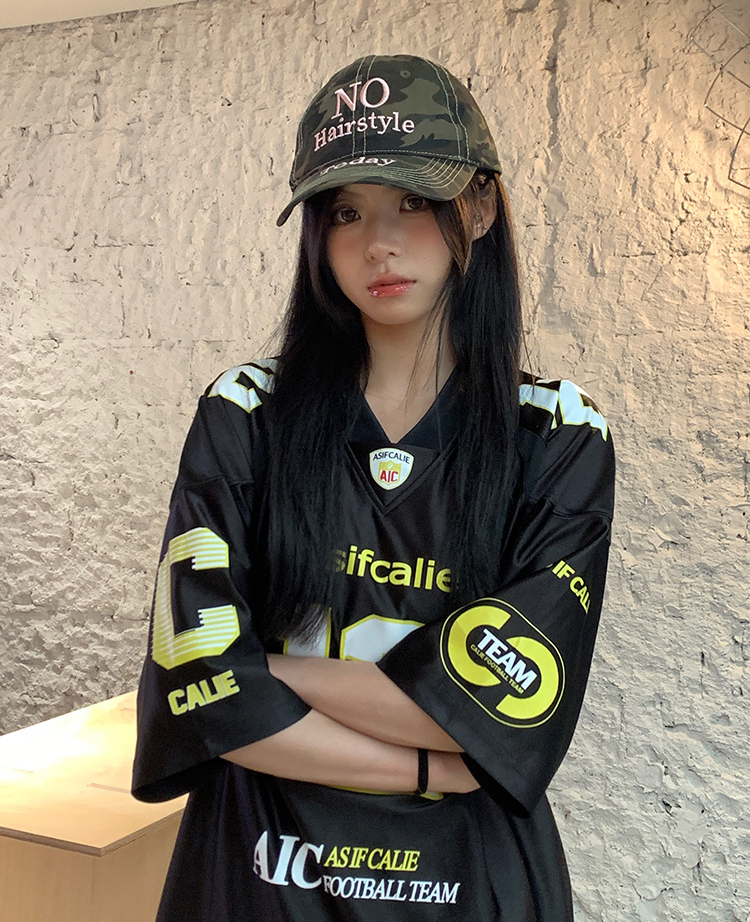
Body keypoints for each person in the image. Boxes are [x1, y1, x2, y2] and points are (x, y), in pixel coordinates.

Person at [132, 54, 615, 921]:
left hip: (467, 882)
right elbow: (197, 692)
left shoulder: (559, 433)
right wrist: (430, 762)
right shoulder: (247, 410)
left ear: (480, 206)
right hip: (260, 873)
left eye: (413, 202)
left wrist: (265, 669)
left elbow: (510, 707)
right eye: (345, 211)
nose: (377, 243)